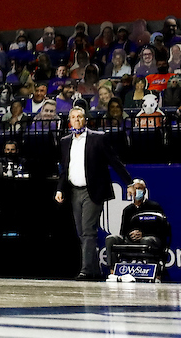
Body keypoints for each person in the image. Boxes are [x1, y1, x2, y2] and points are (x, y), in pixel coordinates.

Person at [55, 106, 134, 280]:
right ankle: (94, 270)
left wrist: (128, 182)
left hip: (93, 191)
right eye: (74, 117)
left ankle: (86, 270)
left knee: (89, 231)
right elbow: (64, 168)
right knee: (81, 232)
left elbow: (114, 161)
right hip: (74, 191)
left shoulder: (98, 138)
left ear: (86, 119)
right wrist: (60, 188)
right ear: (70, 120)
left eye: (80, 117)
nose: (77, 120)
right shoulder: (65, 141)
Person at [103, 179, 171, 274]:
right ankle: (113, 271)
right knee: (111, 239)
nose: (137, 191)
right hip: (131, 240)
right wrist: (131, 234)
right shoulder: (127, 210)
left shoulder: (155, 207)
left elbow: (161, 230)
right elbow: (123, 231)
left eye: (140, 188)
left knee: (146, 240)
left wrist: (143, 234)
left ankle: (154, 272)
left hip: (151, 239)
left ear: (144, 191)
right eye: (135, 189)